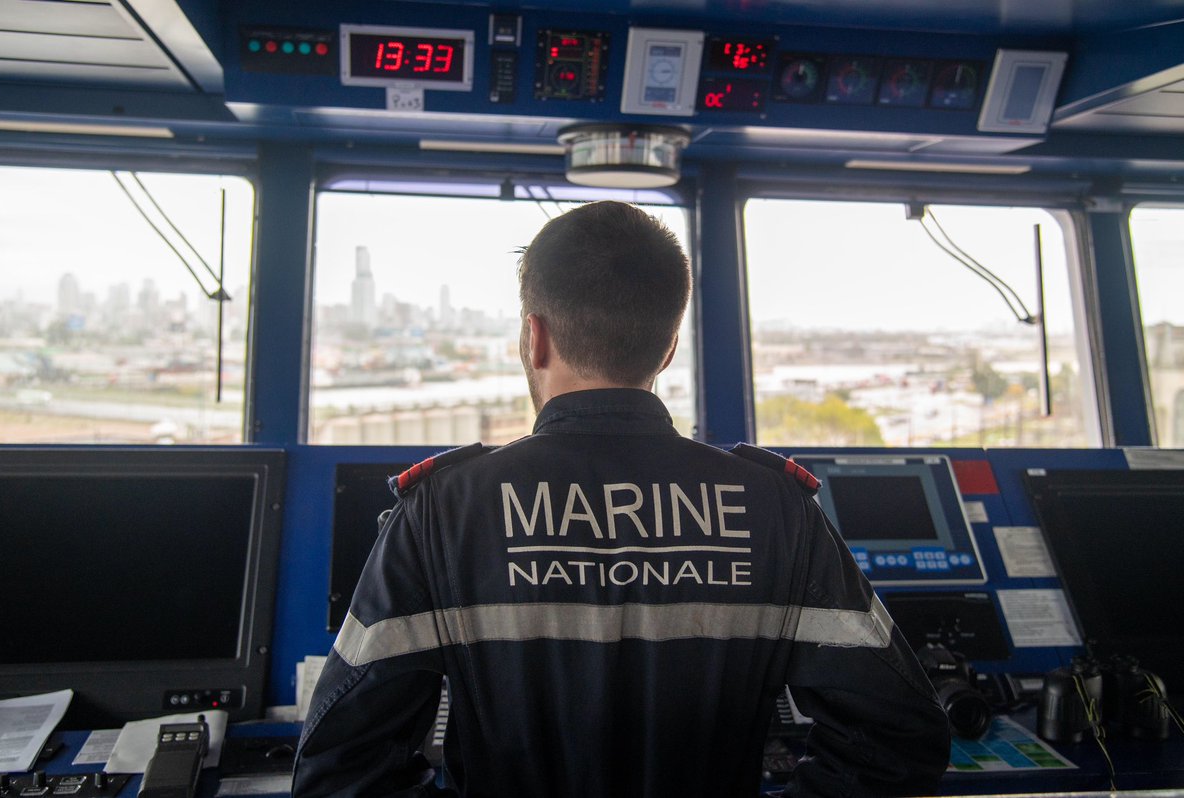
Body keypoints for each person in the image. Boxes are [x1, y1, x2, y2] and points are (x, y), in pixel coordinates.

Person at [292, 201, 951, 797]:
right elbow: (899, 740)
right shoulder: (775, 507)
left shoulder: (443, 510)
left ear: (535, 337)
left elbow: (342, 768)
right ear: (666, 350)